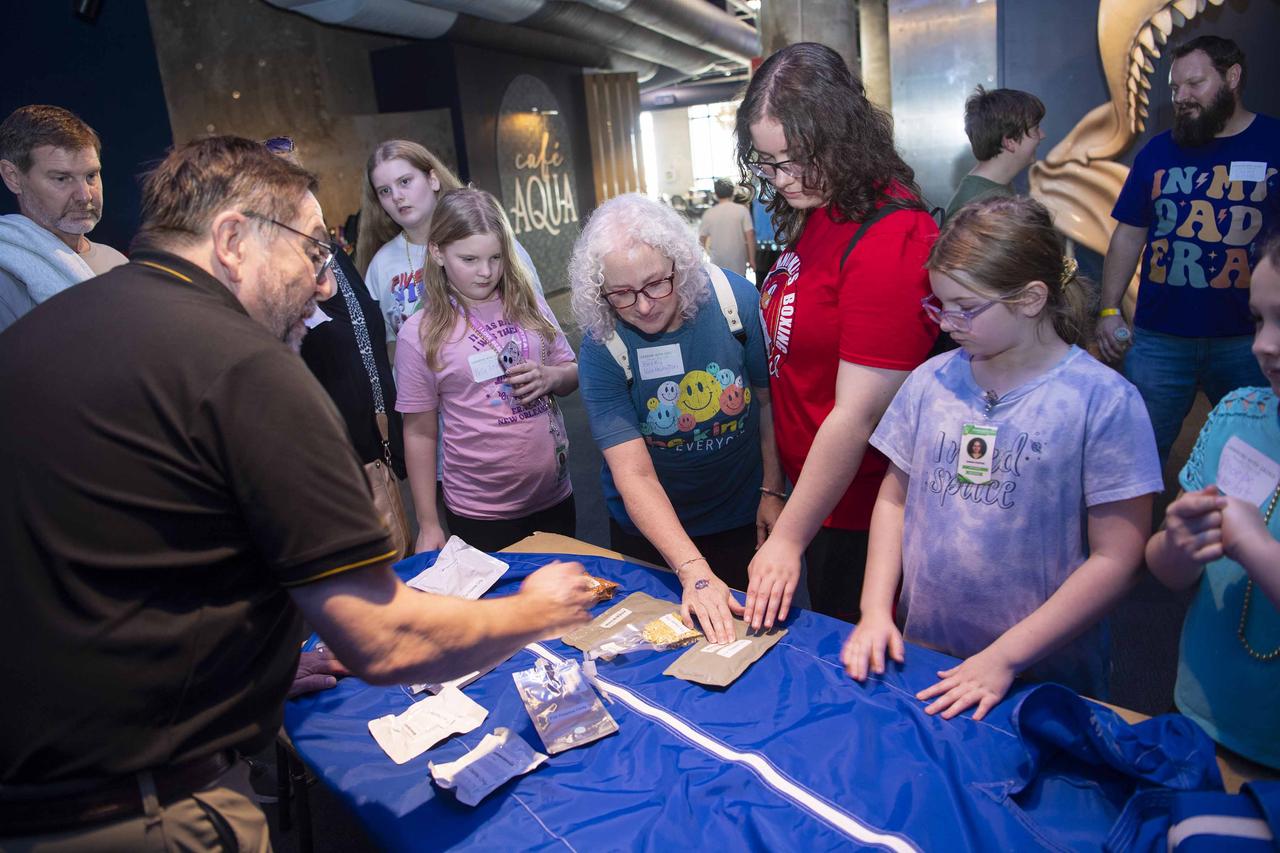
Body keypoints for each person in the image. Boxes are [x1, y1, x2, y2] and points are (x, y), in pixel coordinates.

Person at [0, 137, 595, 851]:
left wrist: (256, 665)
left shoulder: (45, 330)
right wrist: (536, 608)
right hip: (143, 811)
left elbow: (124, 560)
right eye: (313, 253)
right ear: (232, 241)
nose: (322, 285)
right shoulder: (242, 364)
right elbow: (385, 637)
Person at [841, 196, 1162, 720]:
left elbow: (1118, 558)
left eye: (966, 308)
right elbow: (894, 500)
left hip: (1043, 674)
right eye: (939, 304)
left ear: (1032, 298)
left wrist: (1005, 657)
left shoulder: (1102, 401)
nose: (947, 322)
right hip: (927, 653)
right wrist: (875, 609)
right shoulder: (931, 381)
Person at [734, 42, 940, 629]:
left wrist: (790, 536)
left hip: (863, 510)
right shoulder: (823, 204)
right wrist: (777, 488)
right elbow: (785, 367)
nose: (783, 178)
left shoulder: (891, 234)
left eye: (797, 158)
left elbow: (857, 415)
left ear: (843, 137)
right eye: (768, 162)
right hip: (814, 499)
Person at [571, 193, 783, 644]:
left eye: (655, 285)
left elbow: (767, 404)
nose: (644, 306)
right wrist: (693, 571)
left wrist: (772, 488)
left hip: (740, 513)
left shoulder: (733, 300)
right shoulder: (601, 346)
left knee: (747, 644)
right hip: (650, 532)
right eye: (622, 293)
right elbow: (633, 474)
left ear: (679, 265)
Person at [1099, 35, 1279, 467]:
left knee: (1258, 456)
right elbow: (1128, 234)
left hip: (1248, 340)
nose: (1182, 97)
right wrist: (1108, 310)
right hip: (1160, 338)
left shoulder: (1274, 141)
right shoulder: (1158, 152)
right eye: (1175, 88)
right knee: (1137, 456)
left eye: (1195, 84)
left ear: (1232, 77)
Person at [1144, 227, 1280, 770]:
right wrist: (1176, 544)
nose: (1263, 344)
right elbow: (1168, 571)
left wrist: (1254, 547)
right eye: (1259, 319)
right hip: (1201, 722)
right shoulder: (1238, 416)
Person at [396, 187, 578, 553]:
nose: (486, 272)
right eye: (470, 259)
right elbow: (419, 433)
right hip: (481, 512)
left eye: (495, 257)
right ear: (437, 252)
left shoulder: (529, 303)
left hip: (555, 494)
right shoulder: (420, 333)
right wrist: (428, 521)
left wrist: (550, 377)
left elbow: (571, 370)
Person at [266, 135, 408, 484]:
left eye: (301, 181)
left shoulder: (336, 257)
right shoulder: (270, 280)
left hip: (383, 444)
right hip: (334, 465)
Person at [358, 139, 543, 364]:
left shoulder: (485, 236)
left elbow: (536, 316)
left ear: (433, 179)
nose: (397, 196)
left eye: (405, 181)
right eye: (385, 191)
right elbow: (390, 348)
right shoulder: (380, 264)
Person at [0, 105, 126, 333]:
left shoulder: (117, 262)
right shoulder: (6, 277)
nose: (85, 195)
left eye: (91, 176)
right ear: (13, 178)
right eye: (61, 178)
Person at [943, 86, 1046, 222]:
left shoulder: (995, 189)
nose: (1042, 135)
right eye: (1036, 129)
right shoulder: (981, 208)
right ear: (1010, 141)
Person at [698, 177, 755, 276]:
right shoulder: (742, 210)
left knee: (721, 288)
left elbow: (701, 240)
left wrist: (700, 261)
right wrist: (752, 259)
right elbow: (750, 236)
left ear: (716, 194)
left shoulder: (709, 213)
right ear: (733, 192)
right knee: (739, 288)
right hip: (738, 261)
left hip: (717, 263)